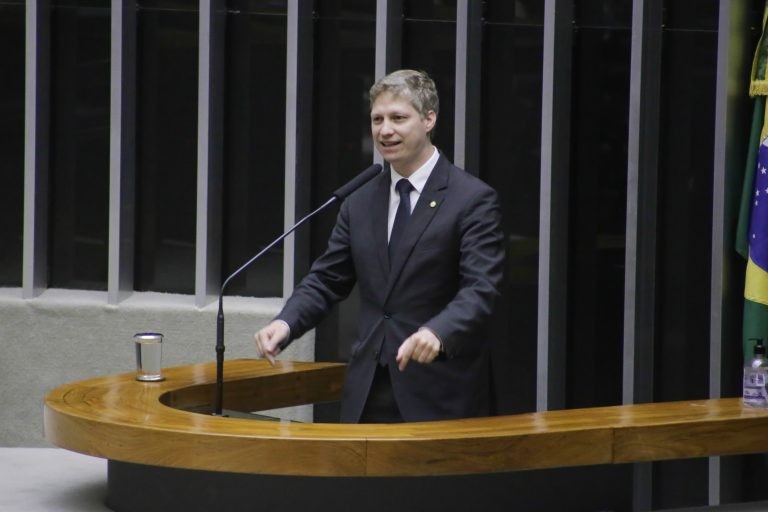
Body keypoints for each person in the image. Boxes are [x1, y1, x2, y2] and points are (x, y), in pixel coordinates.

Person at [254, 69, 504, 423]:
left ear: (429, 119)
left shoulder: (471, 199)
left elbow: (481, 288)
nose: (385, 130)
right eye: (377, 119)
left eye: (398, 118)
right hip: (368, 388)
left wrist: (438, 330)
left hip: (439, 389)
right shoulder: (359, 200)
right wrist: (287, 323)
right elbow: (327, 279)